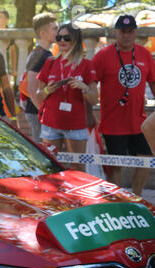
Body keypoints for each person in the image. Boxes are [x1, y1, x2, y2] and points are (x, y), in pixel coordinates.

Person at [92, 15, 155, 195]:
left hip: (139, 122)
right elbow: (90, 85)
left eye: (130, 31)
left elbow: (153, 82)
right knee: (116, 166)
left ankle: (137, 197)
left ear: (135, 32)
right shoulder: (102, 56)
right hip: (113, 123)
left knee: (146, 160)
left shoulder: (144, 54)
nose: (126, 35)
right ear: (116, 33)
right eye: (122, 31)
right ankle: (117, 200)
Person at [36, 23, 98, 171]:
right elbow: (39, 96)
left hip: (75, 125)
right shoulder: (50, 62)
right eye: (59, 37)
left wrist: (84, 88)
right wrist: (47, 90)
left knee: (77, 168)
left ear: (75, 40)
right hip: (51, 123)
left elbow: (95, 99)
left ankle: (75, 195)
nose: (62, 41)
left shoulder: (86, 65)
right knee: (50, 167)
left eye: (66, 38)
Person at [21, 13, 58, 143]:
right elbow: (31, 88)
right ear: (43, 33)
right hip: (36, 111)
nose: (58, 32)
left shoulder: (45, 53)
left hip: (39, 110)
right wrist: (43, 113)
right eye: (54, 29)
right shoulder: (38, 55)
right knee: (42, 149)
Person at [0, 10, 17, 80]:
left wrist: (14, 69)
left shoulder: (9, 34)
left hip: (5, 68)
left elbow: (13, 52)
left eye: (0, 17)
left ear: (6, 20)